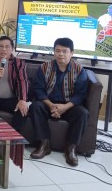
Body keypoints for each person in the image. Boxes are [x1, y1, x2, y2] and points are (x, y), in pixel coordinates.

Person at [29, 37, 88, 167]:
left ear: (72, 53)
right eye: (57, 50)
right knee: (35, 107)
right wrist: (51, 105)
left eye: (65, 51)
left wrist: (64, 107)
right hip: (48, 104)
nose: (61, 54)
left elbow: (80, 94)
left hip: (69, 105)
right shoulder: (44, 67)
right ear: (54, 52)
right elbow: (38, 89)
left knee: (82, 113)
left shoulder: (79, 70)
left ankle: (70, 148)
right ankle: (44, 144)